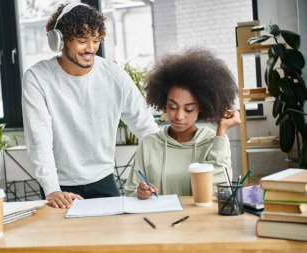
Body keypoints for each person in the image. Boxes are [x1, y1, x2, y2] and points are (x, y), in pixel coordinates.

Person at [22, 2, 159, 208]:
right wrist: (52, 189)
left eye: (95, 40)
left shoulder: (114, 75)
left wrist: (159, 172)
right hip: (60, 188)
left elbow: (145, 126)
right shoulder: (37, 77)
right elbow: (39, 140)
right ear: (60, 40)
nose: (90, 48)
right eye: (82, 40)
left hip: (103, 180)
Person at [124, 47, 241, 199]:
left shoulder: (213, 141)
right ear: (164, 103)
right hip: (159, 221)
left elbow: (219, 191)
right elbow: (130, 193)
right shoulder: (149, 144)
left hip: (199, 220)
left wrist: (221, 131)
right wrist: (140, 193)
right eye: (172, 106)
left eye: (189, 109)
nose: (179, 116)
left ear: (201, 108)